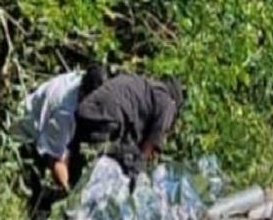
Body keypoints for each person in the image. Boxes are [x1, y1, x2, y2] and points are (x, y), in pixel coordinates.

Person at [14, 65, 106, 209]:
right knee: (39, 191)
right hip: (26, 134)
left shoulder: (82, 78)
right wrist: (69, 193)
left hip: (42, 114)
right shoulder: (65, 114)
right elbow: (56, 160)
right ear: (84, 93)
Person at [73, 71, 185, 176]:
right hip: (110, 117)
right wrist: (139, 173)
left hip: (86, 111)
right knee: (130, 160)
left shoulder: (141, 85)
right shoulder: (168, 102)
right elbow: (150, 145)